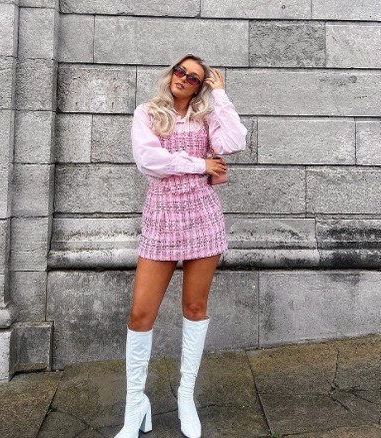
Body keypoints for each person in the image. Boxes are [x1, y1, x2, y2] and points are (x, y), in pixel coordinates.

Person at [114, 53, 247, 438]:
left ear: (201, 85)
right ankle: (135, 406)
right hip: (161, 220)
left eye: (194, 77)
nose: (184, 79)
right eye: (180, 71)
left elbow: (235, 141)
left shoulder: (207, 116)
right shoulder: (148, 112)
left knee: (194, 308)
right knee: (141, 315)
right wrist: (199, 164)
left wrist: (220, 96)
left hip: (203, 219)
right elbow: (148, 160)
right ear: (171, 73)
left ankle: (185, 397)